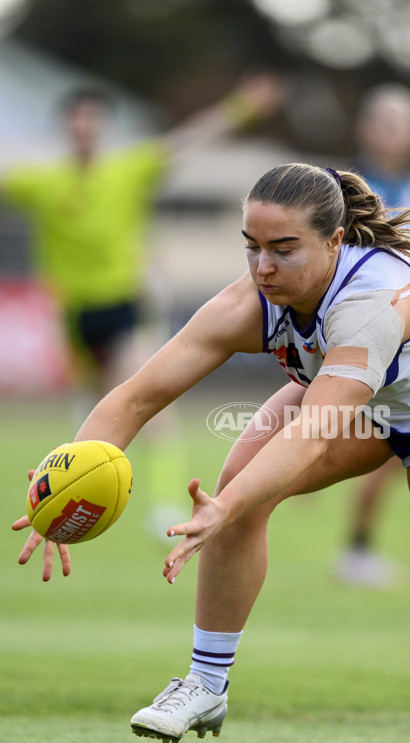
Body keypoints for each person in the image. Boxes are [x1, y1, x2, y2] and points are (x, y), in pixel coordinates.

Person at [13, 163, 410, 743]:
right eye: (252, 248)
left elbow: (312, 434)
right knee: (239, 482)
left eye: (284, 249)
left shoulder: (372, 302)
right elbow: (135, 398)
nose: (263, 268)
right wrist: (60, 485)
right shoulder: (251, 298)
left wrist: (226, 509)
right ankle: (206, 682)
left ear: (335, 242)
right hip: (357, 400)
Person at [1, 73, 284, 533]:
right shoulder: (43, 182)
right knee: (89, 414)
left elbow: (187, 141)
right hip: (74, 316)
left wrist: (241, 109)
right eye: (76, 120)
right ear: (65, 127)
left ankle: (166, 504)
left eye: (91, 120)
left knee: (150, 404)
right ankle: (71, 497)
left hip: (124, 307)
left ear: (103, 127)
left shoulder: (128, 169)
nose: (83, 128)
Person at [332, 83, 410, 589]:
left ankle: (360, 549)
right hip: (365, 329)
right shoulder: (344, 189)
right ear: (364, 129)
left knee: (403, 445)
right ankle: (356, 551)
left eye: (399, 121)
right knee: (391, 441)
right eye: (381, 120)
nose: (390, 130)